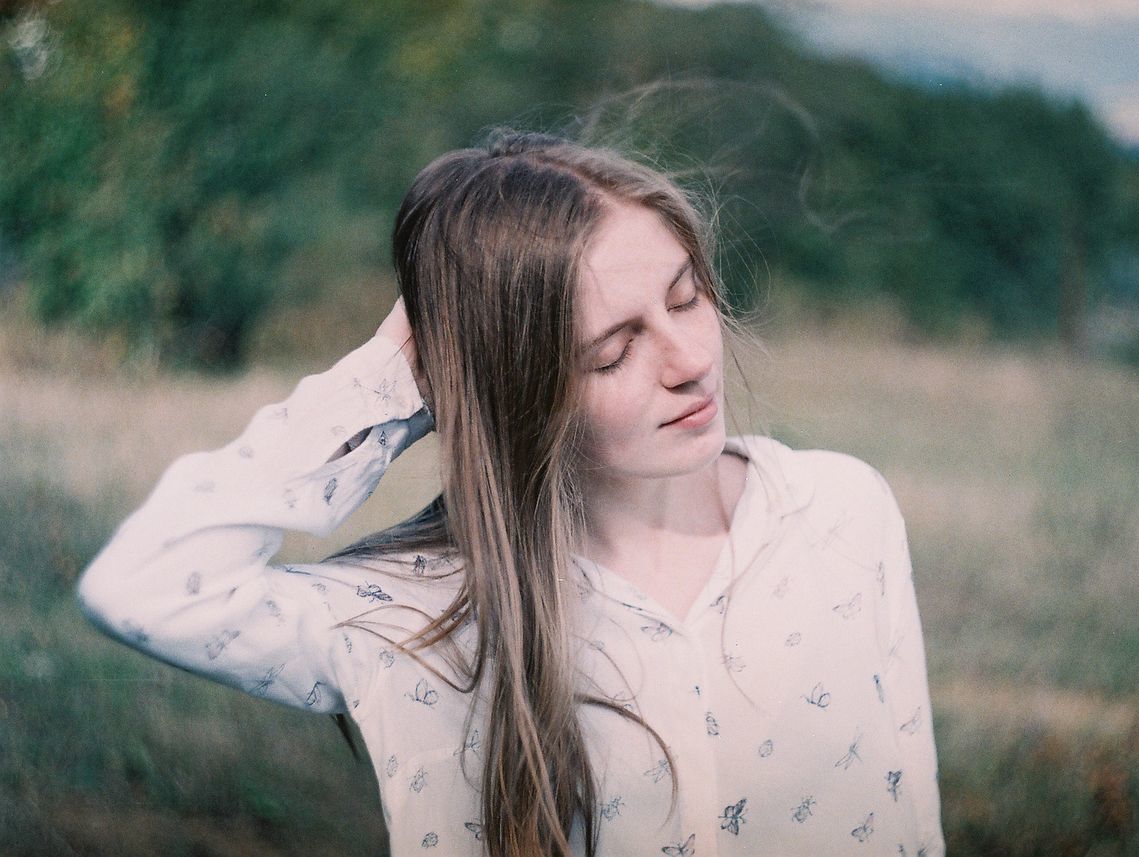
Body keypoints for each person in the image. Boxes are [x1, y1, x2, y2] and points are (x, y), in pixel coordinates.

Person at [78, 130, 943, 856]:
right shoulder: (423, 613)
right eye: (614, 351)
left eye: (688, 298)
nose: (689, 361)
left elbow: (914, 824)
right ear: (518, 387)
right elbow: (142, 587)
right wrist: (390, 380)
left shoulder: (839, 509)